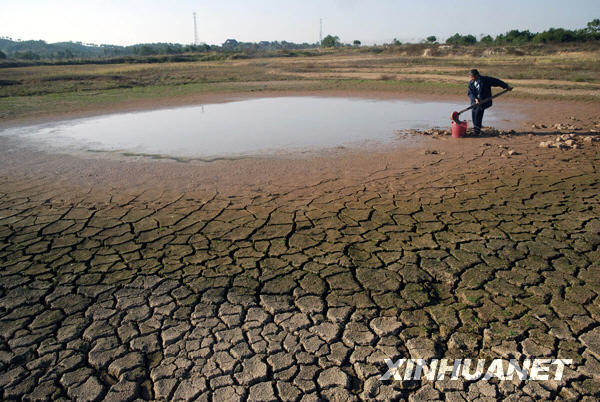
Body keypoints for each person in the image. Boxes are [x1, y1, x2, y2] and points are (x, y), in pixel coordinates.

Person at [468, 69, 512, 135]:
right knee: (474, 112)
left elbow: (497, 81)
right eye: (470, 77)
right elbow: (470, 93)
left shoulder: (485, 80)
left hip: (484, 100)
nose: (471, 78)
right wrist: (475, 99)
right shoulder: (471, 83)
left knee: (478, 111)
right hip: (475, 102)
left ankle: (477, 130)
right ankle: (476, 128)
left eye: (472, 77)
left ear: (477, 75)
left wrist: (506, 86)